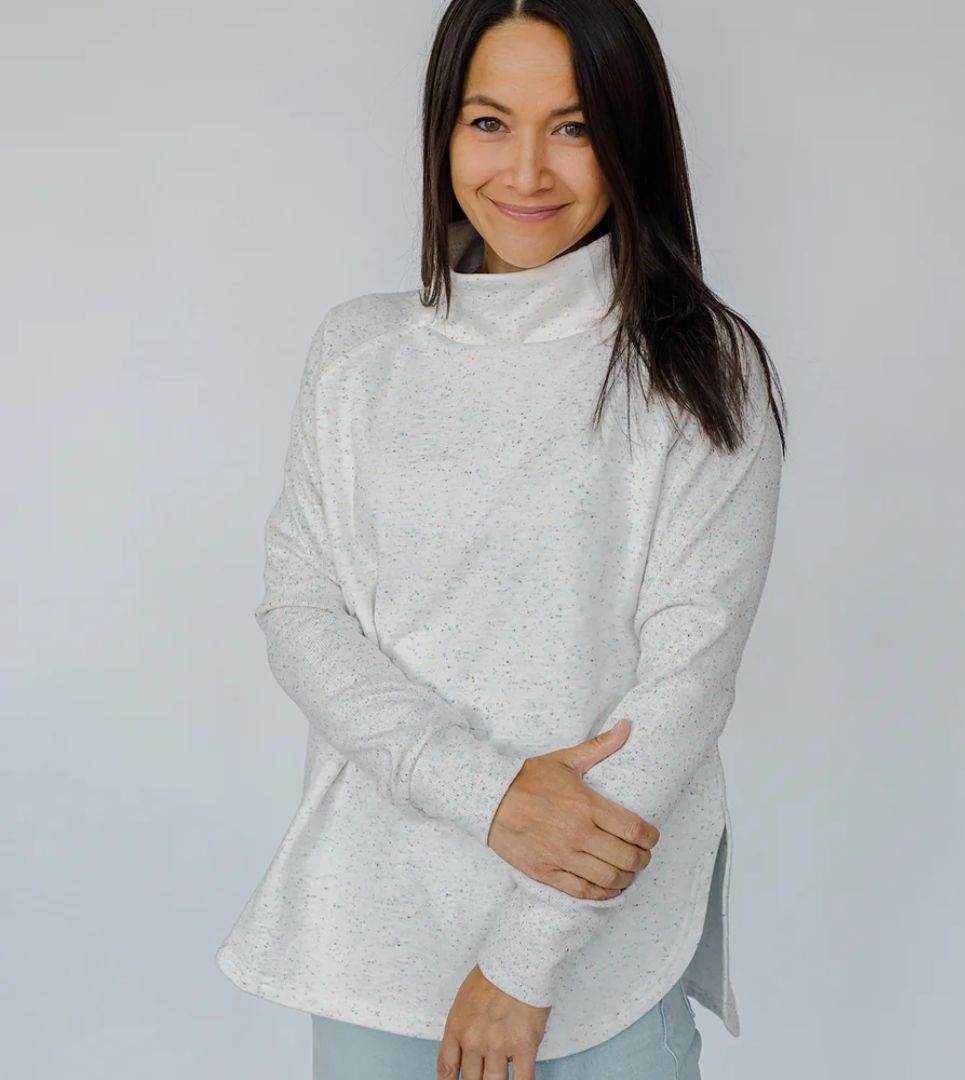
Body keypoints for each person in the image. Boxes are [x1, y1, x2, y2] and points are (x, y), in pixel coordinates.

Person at [215, 2, 788, 1077]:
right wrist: (488, 793)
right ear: (444, 131)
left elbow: (684, 689)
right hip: (377, 928)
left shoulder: (698, 370)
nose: (526, 169)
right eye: (489, 121)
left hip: (603, 955)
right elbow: (302, 614)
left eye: (573, 127)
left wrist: (523, 965)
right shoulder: (361, 354)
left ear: (632, 139)